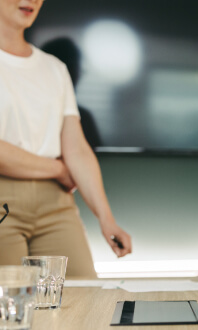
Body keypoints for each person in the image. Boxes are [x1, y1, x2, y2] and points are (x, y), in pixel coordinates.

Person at [0, 0, 132, 277]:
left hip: (56, 205)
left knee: (84, 301)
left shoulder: (54, 68)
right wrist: (58, 168)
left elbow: (78, 149)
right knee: (11, 312)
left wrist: (106, 219)